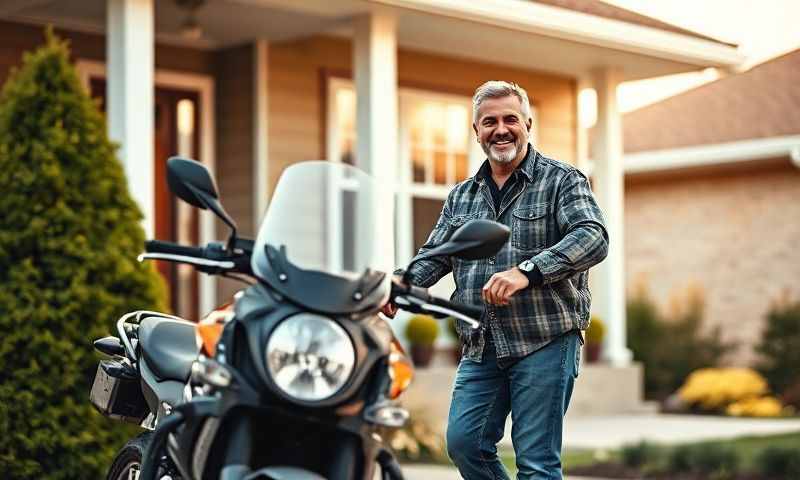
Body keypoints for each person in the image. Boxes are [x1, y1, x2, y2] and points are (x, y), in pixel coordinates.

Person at [384, 81, 608, 479]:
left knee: (536, 462)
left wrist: (527, 272)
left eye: (510, 119)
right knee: (465, 444)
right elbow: (437, 255)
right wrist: (397, 285)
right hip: (482, 341)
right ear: (476, 131)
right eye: (489, 122)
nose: (500, 129)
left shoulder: (562, 180)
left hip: (544, 338)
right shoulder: (462, 196)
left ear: (528, 124)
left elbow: (593, 237)